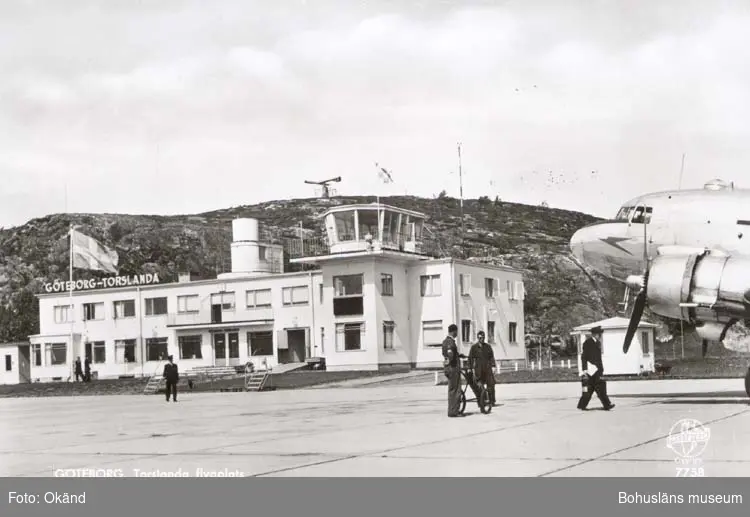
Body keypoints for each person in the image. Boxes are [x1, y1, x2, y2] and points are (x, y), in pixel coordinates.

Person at [577, 326, 615, 411]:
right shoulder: (587, 343)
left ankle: (607, 404)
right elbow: (584, 357)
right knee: (589, 389)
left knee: (600, 387)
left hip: (597, 370)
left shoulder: (597, 343)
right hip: (590, 370)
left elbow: (598, 358)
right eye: (599, 334)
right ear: (595, 334)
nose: (600, 335)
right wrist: (585, 370)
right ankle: (582, 405)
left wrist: (601, 369)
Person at [468, 330, 497, 406]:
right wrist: (470, 368)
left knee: (491, 384)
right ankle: (482, 401)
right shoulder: (474, 347)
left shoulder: (488, 347)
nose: (482, 339)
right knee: (479, 386)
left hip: (487, 368)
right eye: (480, 337)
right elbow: (470, 358)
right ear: (478, 338)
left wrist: (493, 366)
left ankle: (492, 401)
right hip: (479, 369)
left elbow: (491, 357)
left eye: (483, 337)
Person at [442, 324, 463, 417]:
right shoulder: (450, 342)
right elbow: (450, 353)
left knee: (452, 390)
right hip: (453, 369)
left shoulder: (445, 341)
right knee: (456, 390)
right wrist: (450, 360)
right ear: (453, 331)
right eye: (456, 332)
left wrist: (458, 355)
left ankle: (452, 410)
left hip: (449, 369)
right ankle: (454, 411)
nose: (457, 334)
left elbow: (448, 354)